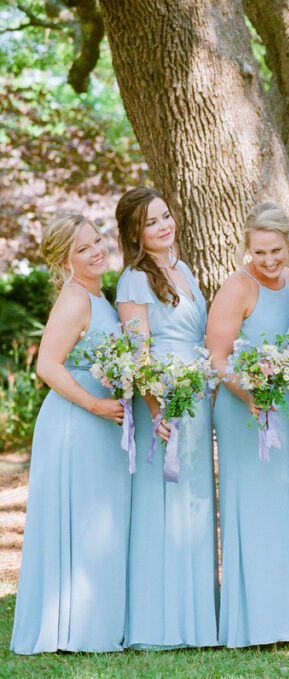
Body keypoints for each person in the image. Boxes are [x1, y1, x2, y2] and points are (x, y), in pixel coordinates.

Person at [10, 215, 130, 654]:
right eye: (83, 248)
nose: (97, 250)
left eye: (97, 240)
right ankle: (70, 629)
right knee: (79, 517)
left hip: (103, 422)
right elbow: (47, 365)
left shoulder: (102, 296)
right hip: (76, 422)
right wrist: (96, 404)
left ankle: (93, 621)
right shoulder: (75, 299)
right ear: (64, 261)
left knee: (98, 521)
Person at [115, 187, 219, 649]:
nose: (163, 226)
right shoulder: (134, 280)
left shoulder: (183, 270)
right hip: (165, 402)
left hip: (195, 397)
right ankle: (161, 623)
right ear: (135, 234)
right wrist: (159, 410)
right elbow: (138, 355)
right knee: (164, 503)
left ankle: (197, 618)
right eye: (151, 223)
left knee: (193, 501)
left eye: (165, 216)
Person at [206, 203, 289, 647]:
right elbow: (217, 359)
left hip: (279, 406)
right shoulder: (236, 289)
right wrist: (251, 395)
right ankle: (250, 621)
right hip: (241, 408)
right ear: (247, 249)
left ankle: (281, 617)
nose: (269, 262)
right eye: (260, 252)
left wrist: (273, 395)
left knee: (279, 505)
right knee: (250, 505)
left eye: (277, 251)